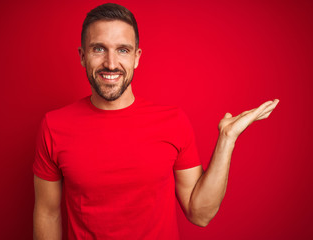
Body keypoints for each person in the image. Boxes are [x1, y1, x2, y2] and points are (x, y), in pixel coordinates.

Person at [32, 3, 279, 240]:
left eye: (123, 50)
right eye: (98, 49)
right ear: (82, 56)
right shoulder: (54, 126)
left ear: (137, 57)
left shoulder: (173, 122)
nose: (110, 63)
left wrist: (227, 139)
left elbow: (200, 213)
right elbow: (48, 213)